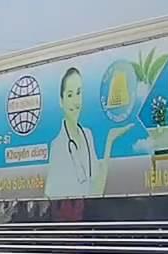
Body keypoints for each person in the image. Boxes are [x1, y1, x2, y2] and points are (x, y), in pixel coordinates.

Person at [44, 66, 133, 199]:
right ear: (61, 101)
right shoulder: (57, 146)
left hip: (88, 209)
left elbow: (97, 191)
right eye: (70, 95)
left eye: (79, 93)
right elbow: (49, 197)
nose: (75, 101)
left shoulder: (87, 136)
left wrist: (109, 141)